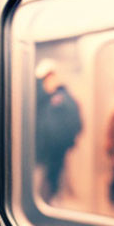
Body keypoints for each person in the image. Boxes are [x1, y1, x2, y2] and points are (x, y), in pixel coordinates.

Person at [35, 59, 83, 203]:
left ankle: (51, 202)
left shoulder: (64, 98)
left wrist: (64, 143)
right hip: (42, 150)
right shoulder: (42, 99)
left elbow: (76, 123)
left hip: (55, 149)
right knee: (45, 181)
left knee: (53, 180)